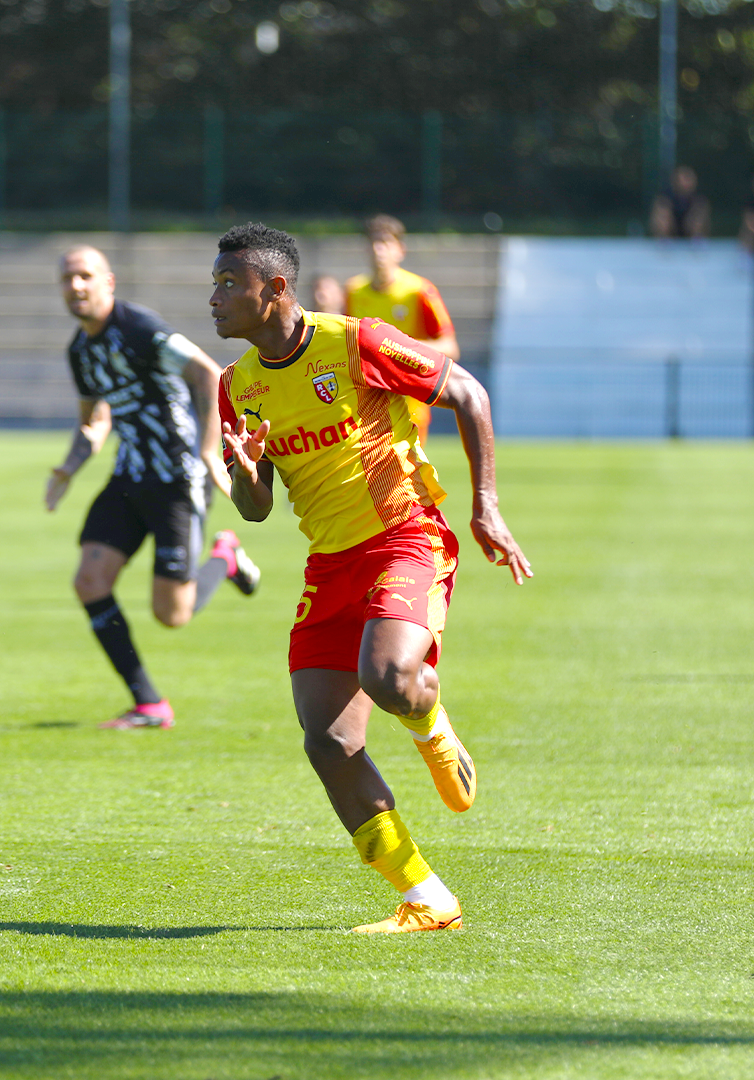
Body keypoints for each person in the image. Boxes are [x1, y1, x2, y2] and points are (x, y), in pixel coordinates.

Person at [211, 222, 532, 933]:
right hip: (330, 564)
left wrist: (487, 509)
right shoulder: (237, 386)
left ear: (277, 288)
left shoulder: (353, 341)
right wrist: (243, 470)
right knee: (327, 740)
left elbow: (469, 395)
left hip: (404, 537)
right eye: (215, 284)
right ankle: (426, 896)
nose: (215, 298)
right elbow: (257, 510)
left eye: (230, 283)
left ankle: (431, 723)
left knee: (389, 678)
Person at [46, 245, 259, 730]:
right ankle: (149, 704)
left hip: (178, 480)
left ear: (108, 282)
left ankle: (225, 558)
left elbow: (206, 372)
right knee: (89, 581)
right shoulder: (80, 351)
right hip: (128, 476)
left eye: (84, 276)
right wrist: (68, 468)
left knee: (172, 614)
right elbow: (95, 421)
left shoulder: (139, 328)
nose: (75, 286)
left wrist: (208, 451)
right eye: (67, 279)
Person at [344, 215, 460, 441]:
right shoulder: (353, 291)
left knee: (408, 475)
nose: (379, 249)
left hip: (410, 404)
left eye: (386, 243)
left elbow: (450, 348)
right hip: (366, 406)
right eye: (373, 242)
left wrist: (397, 349)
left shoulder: (419, 291)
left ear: (400, 250)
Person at [649, 165, 710, 240]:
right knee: (662, 212)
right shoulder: (666, 196)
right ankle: (663, 240)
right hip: (671, 231)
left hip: (689, 230)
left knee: (700, 212)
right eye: (685, 178)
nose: (687, 182)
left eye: (689, 178)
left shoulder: (698, 198)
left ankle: (697, 240)